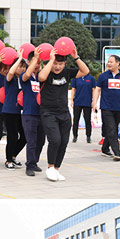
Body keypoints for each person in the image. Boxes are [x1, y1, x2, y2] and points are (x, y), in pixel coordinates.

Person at [38, 46, 89, 181]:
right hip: (48, 112)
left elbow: (85, 71)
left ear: (64, 64)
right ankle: (50, 167)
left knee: (64, 142)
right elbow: (41, 77)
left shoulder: (67, 72)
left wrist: (76, 57)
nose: (57, 67)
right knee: (55, 140)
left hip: (64, 113)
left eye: (60, 64)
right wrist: (50, 61)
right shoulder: (47, 73)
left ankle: (56, 169)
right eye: (55, 63)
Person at [93, 55, 120, 161]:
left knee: (111, 129)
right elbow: (97, 89)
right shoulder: (103, 76)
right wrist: (94, 103)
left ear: (118, 63)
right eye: (108, 61)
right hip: (106, 107)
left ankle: (105, 148)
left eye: (111, 62)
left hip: (119, 107)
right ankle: (117, 153)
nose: (108, 63)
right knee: (112, 129)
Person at [21, 50, 45, 177]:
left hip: (42, 113)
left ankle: (35, 161)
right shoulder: (25, 76)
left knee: (41, 141)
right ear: (29, 62)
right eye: (35, 62)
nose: (37, 65)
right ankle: (29, 166)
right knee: (31, 141)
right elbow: (27, 74)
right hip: (29, 114)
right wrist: (35, 58)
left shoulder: (42, 77)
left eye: (39, 63)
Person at [2, 50, 26, 169]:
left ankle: (13, 155)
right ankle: (8, 160)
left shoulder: (23, 79)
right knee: (12, 136)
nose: (22, 69)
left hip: (21, 112)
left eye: (23, 67)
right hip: (9, 111)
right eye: (20, 66)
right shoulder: (10, 78)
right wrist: (19, 58)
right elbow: (11, 72)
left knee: (24, 136)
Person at [70, 72, 96, 144]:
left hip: (87, 102)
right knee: (76, 120)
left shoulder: (91, 78)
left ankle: (88, 136)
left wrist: (94, 101)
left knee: (87, 120)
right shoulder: (76, 78)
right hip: (77, 102)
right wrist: (71, 100)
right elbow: (73, 89)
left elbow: (94, 90)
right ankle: (75, 136)